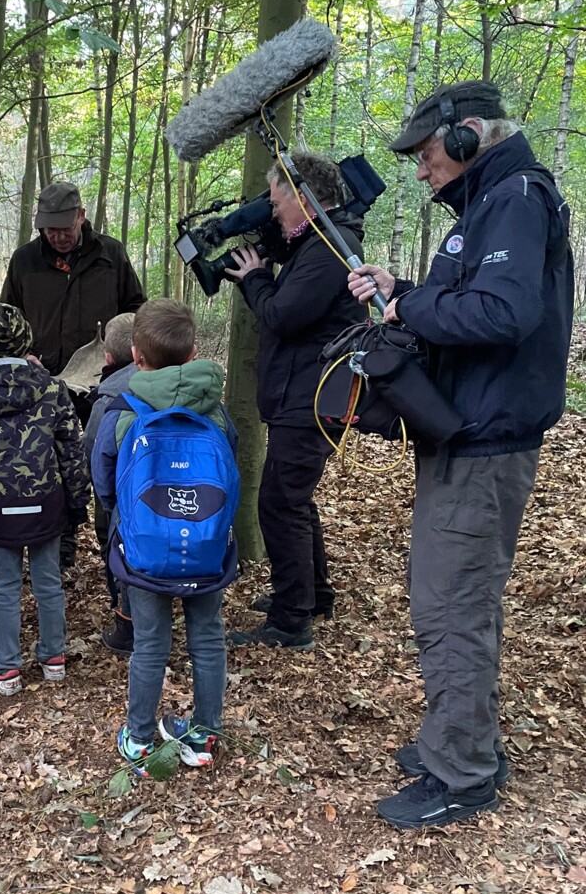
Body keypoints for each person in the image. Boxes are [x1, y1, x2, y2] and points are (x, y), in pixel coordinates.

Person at [348, 79, 573, 829]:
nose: (418, 168)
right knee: (455, 599)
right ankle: (462, 738)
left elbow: (506, 312)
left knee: (452, 606)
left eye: (425, 152)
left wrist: (410, 304)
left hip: (486, 442)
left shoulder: (514, 197)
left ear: (469, 133)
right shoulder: (488, 203)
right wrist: (401, 286)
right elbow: (473, 299)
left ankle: (463, 773)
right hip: (465, 432)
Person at [224, 154, 366, 651]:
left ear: (304, 199)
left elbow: (283, 315)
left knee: (280, 503)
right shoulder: (319, 243)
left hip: (312, 398)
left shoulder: (331, 248)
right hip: (303, 393)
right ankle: (313, 596)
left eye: (277, 197)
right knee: (293, 501)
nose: (271, 206)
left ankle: (291, 621)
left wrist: (255, 278)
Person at [91, 299, 238, 776]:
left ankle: (138, 736)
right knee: (208, 638)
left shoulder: (124, 409)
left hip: (144, 550)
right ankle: (203, 735)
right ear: (194, 351)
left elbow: (103, 479)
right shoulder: (216, 412)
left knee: (150, 643)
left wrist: (130, 520)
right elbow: (229, 470)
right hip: (206, 546)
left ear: (135, 355)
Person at [0, 303, 91, 696]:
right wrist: (77, 504)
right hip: (46, 502)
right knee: (48, 583)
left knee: (6, 588)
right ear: (26, 340)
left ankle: (8, 669)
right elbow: (71, 452)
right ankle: (53, 659)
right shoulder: (50, 389)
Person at [1, 181, 144, 566]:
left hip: (104, 378)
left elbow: (136, 308)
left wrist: (121, 354)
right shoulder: (24, 261)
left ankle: (112, 544)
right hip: (45, 380)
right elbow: (7, 318)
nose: (59, 236)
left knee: (106, 459)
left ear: (81, 216)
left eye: (65, 227)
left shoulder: (110, 254)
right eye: (50, 230)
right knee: (49, 465)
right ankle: (60, 547)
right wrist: (23, 354)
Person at [83, 312, 137, 654]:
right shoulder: (189, 387)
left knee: (121, 554)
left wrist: (106, 501)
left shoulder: (110, 400)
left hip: (123, 498)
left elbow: (94, 453)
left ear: (108, 357)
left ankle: (126, 622)